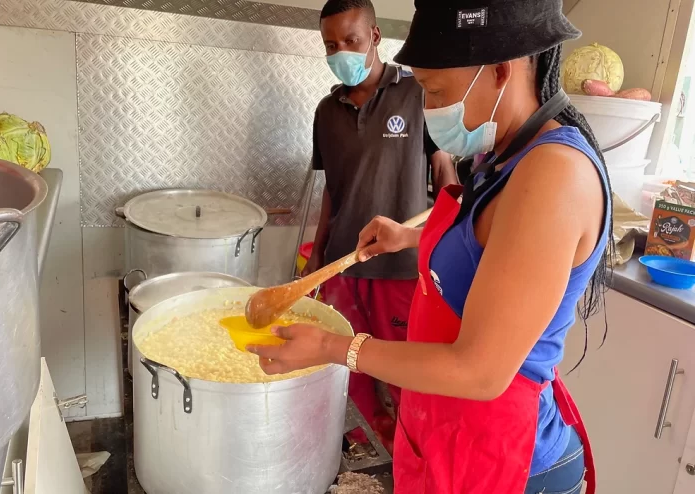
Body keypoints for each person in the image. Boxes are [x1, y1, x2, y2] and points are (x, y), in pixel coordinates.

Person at [249, 1, 611, 493]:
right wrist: (412, 239)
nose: (428, 107)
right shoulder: (503, 155)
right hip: (450, 437)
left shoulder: (553, 174)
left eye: (436, 91)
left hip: (509, 461)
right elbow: (490, 254)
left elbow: (480, 371)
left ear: (500, 71)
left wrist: (333, 348)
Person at [305, 0, 455, 451]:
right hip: (343, 268)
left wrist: (445, 234)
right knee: (348, 367)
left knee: (404, 367)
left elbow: (445, 171)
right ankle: (370, 443)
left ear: (374, 37)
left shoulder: (416, 93)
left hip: (401, 266)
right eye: (331, 45)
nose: (341, 52)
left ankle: (417, 448)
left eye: (351, 40)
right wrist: (316, 259)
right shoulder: (325, 112)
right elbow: (332, 191)